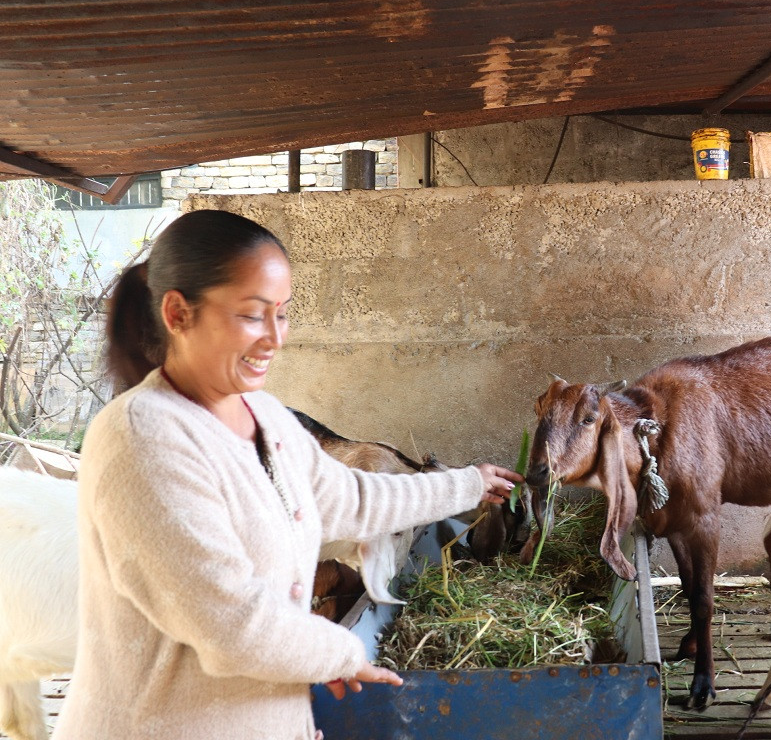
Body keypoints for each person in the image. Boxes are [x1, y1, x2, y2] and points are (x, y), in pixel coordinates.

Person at [52, 209, 523, 740]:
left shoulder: (265, 417)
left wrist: (467, 484)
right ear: (178, 313)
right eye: (253, 315)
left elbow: (352, 499)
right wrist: (342, 653)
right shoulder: (142, 438)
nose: (275, 338)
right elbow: (231, 623)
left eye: (284, 313)